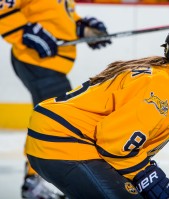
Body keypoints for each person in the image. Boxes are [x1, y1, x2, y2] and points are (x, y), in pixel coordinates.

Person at [24, 20, 169, 199]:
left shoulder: (161, 75)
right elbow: (113, 143)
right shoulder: (162, 89)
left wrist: (147, 178)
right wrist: (152, 181)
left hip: (53, 136)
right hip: (63, 142)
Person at [0, 0, 111, 198]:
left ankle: (34, 180)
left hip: (48, 64)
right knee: (55, 123)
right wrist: (25, 31)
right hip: (35, 60)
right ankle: (34, 182)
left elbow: (59, 17)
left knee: (53, 122)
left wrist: (84, 29)